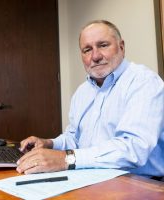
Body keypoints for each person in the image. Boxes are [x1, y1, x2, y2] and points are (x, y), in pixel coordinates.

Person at [16, 20, 164, 178]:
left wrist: (67, 159)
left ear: (121, 47)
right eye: (87, 49)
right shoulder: (82, 92)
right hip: (89, 178)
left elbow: (133, 148)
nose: (95, 56)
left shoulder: (144, 82)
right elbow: (75, 137)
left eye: (103, 45)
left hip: (139, 184)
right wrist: (50, 143)